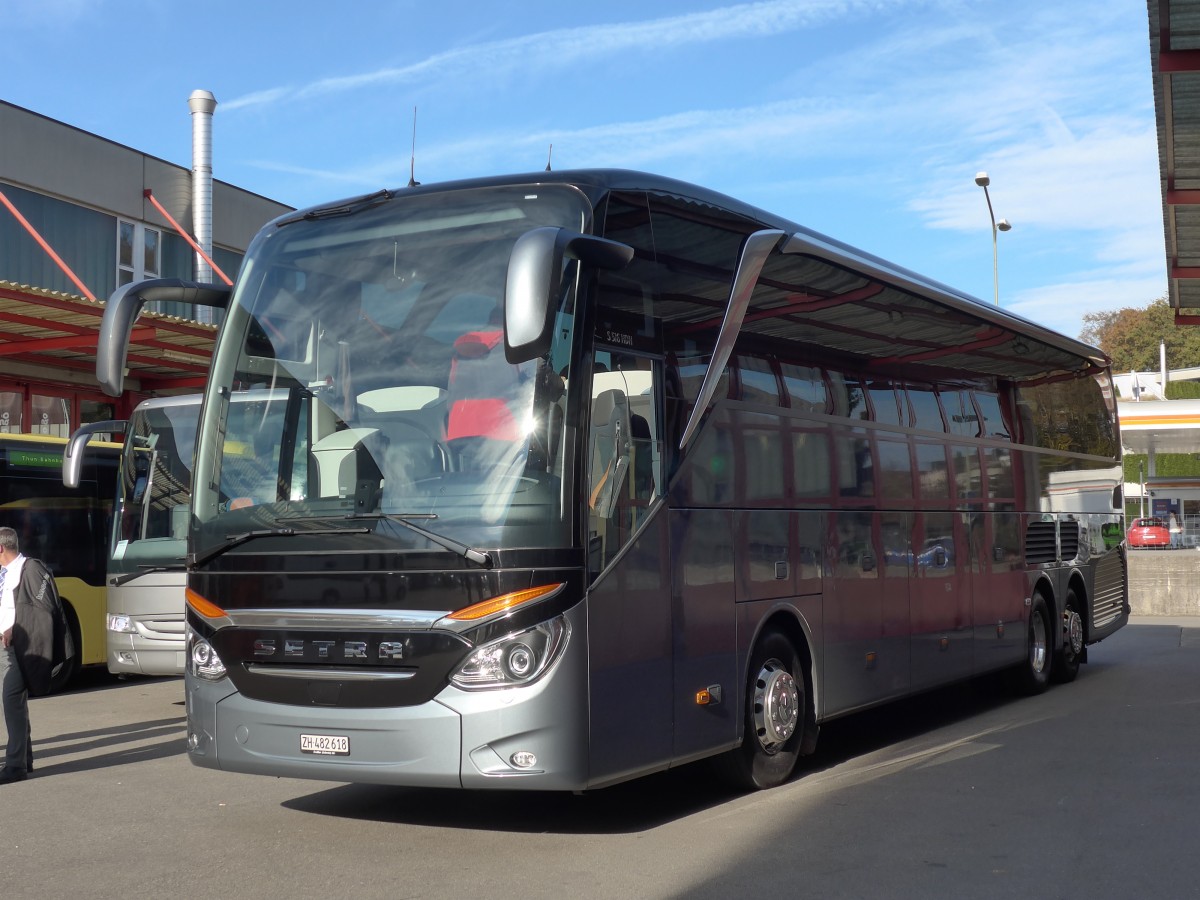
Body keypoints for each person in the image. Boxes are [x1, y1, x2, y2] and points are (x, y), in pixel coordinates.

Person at [0, 525, 68, 784]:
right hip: (7, 647)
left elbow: (43, 610)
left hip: (20, 646)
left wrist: (12, 629)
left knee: (11, 701)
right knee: (15, 703)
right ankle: (24, 759)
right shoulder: (5, 573)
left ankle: (15, 765)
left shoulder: (31, 569)